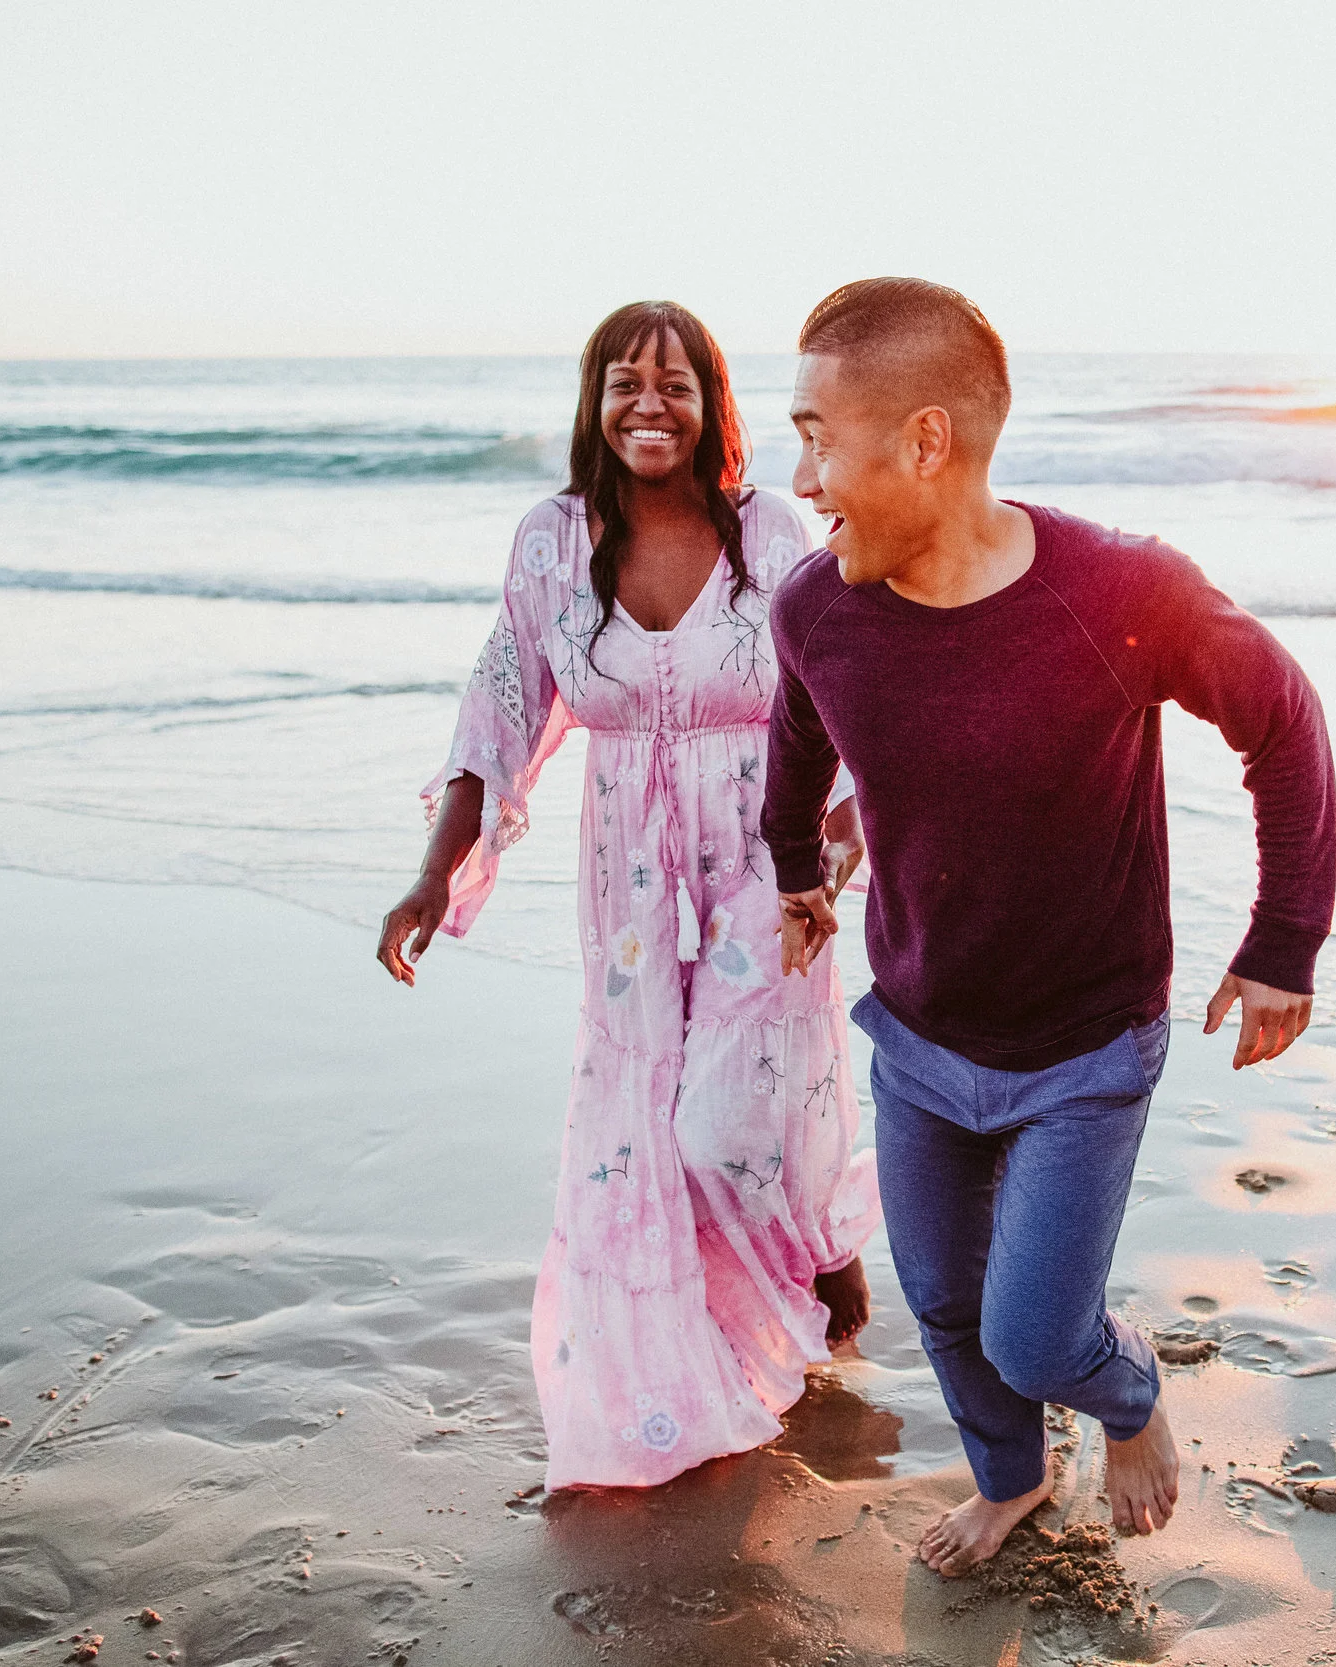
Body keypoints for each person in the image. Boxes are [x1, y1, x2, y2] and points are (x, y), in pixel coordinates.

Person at [761, 278, 1336, 1572]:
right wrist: (796, 865)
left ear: (925, 439)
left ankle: (1127, 1395)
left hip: (1085, 1047)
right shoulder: (817, 610)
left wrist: (1282, 940)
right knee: (948, 1308)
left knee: (1036, 1333)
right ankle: (1013, 1476)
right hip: (916, 1034)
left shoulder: (1118, 592)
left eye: (815, 435)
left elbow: (1283, 721)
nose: (800, 474)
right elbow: (795, 742)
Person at [377, 301, 879, 1491]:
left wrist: (860, 823)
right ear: (595, 404)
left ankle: (816, 1247)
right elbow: (498, 705)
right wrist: (432, 870)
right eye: (624, 384)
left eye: (676, 385)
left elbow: (849, 668)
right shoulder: (551, 540)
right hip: (629, 875)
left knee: (731, 1113)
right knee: (648, 1117)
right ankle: (717, 1333)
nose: (649, 405)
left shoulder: (771, 528)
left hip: (771, 848)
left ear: (713, 406)